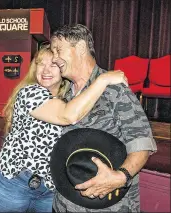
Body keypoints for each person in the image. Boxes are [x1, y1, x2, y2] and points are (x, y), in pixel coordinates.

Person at [0, 46, 128, 212]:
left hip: (50, 187)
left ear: (63, 67)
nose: (46, 70)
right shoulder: (30, 92)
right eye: (41, 64)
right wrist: (103, 80)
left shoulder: (72, 98)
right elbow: (66, 116)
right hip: (14, 182)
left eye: (53, 64)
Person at [50, 24, 157, 212]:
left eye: (58, 50)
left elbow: (142, 142)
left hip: (109, 205)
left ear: (81, 48)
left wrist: (121, 176)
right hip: (65, 203)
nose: (55, 58)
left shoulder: (114, 88)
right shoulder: (61, 92)